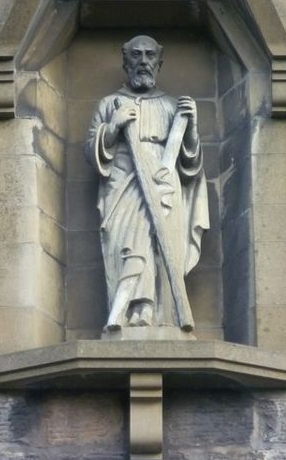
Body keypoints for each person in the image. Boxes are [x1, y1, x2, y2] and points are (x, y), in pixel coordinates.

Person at [85, 35, 209, 333]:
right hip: (124, 182)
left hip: (164, 182)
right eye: (136, 55)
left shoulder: (170, 106)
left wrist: (190, 128)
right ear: (125, 61)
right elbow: (91, 150)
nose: (143, 61)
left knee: (162, 245)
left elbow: (190, 165)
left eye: (150, 55)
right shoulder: (110, 104)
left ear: (159, 62)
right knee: (130, 243)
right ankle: (131, 309)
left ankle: (161, 314)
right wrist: (113, 127)